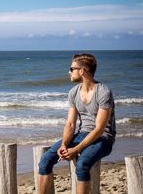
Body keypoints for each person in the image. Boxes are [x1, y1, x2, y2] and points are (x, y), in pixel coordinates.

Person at [38, 53, 116, 194]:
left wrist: (77, 149)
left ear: (82, 71)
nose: (69, 72)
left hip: (103, 139)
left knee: (82, 165)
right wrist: (64, 144)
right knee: (45, 160)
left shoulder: (104, 92)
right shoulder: (73, 92)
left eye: (72, 68)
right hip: (81, 134)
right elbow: (70, 124)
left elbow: (99, 129)